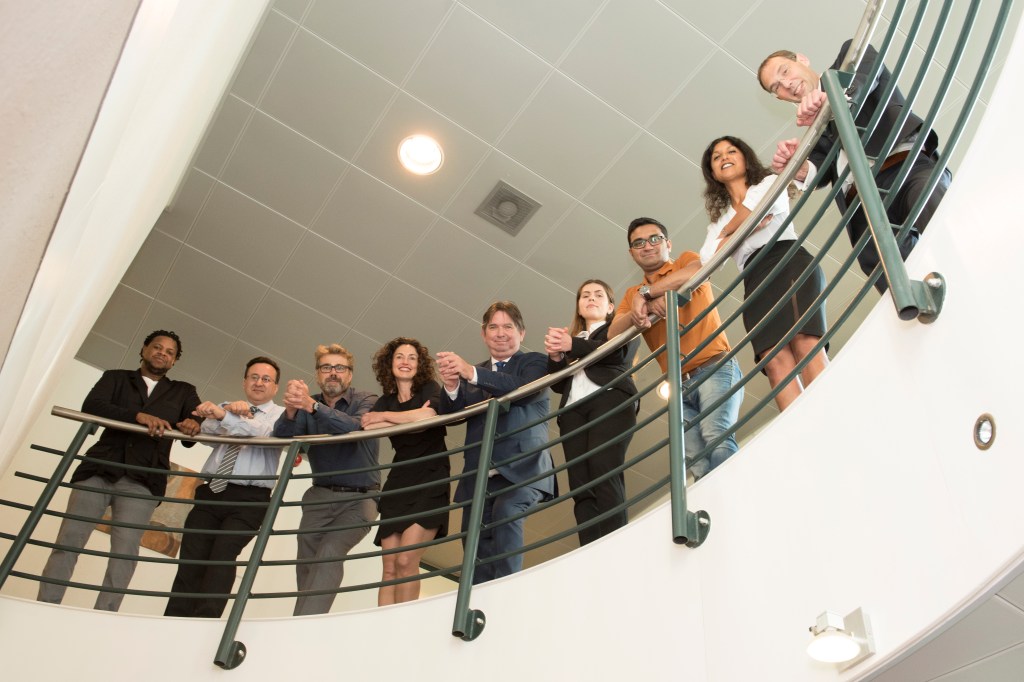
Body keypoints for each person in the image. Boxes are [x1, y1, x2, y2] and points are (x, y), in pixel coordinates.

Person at [758, 41, 951, 292]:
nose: (786, 84)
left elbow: (866, 76)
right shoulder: (814, 132)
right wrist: (798, 167)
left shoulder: (848, 58)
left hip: (904, 167)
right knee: (893, 283)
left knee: (939, 217)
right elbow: (820, 170)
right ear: (779, 98)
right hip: (861, 207)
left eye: (785, 71)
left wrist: (833, 99)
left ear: (802, 59)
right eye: (777, 87)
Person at [38, 330, 201, 611]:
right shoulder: (115, 377)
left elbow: (193, 429)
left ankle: (105, 614)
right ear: (144, 349)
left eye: (169, 352)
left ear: (174, 361)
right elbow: (92, 405)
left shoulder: (184, 391)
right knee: (69, 539)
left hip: (144, 480)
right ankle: (46, 606)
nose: (162, 353)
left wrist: (194, 424)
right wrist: (136, 416)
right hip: (99, 469)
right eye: (157, 347)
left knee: (125, 552)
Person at [699, 136, 829, 412]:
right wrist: (738, 229)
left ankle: (830, 417)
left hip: (787, 261)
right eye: (716, 157)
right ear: (713, 173)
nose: (724, 158)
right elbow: (708, 260)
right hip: (754, 279)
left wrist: (730, 236)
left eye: (731, 151)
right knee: (774, 361)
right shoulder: (718, 223)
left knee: (805, 342)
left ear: (746, 159)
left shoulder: (769, 183)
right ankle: (802, 429)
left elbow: (759, 210)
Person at [608, 218, 743, 481]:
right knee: (695, 460)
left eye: (654, 239)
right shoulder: (631, 294)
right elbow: (613, 333)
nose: (647, 246)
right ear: (631, 253)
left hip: (714, 367)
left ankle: (733, 497)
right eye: (639, 243)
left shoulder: (684, 261)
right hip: (677, 384)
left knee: (718, 437)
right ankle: (715, 504)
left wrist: (647, 294)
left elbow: (695, 272)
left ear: (668, 244)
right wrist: (647, 305)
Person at [436, 301, 555, 584]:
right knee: (474, 543)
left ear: (521, 333)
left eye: (508, 327)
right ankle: (479, 600)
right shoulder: (473, 372)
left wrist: (470, 373)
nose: (500, 333)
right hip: (479, 474)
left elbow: (521, 391)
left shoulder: (535, 362)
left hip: (523, 468)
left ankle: (507, 593)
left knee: (506, 514)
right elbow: (452, 416)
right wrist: (452, 386)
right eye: (493, 327)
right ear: (483, 333)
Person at [163, 356, 286, 618]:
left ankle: (206, 620)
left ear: (275, 387)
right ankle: (175, 619)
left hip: (249, 499)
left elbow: (262, 433)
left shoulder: (282, 416)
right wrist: (227, 412)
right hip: (211, 491)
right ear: (244, 382)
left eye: (266, 379)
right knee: (192, 557)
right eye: (254, 377)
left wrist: (226, 415)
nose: (259, 383)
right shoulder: (228, 407)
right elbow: (207, 429)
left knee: (223, 554)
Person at [272, 344, 379, 616]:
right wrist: (291, 410)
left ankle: (302, 624)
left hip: (360, 498)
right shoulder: (307, 406)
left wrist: (312, 406)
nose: (333, 372)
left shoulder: (367, 399)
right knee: (306, 562)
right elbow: (282, 437)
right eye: (326, 367)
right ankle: (303, 621)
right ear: (317, 374)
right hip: (318, 496)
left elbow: (353, 427)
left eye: (340, 368)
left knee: (330, 550)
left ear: (350, 374)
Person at [545, 280, 639, 545]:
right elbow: (559, 385)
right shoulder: (574, 341)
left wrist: (571, 345)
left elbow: (616, 355)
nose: (591, 298)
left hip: (610, 400)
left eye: (599, 295)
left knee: (603, 469)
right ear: (578, 306)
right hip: (573, 410)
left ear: (610, 307)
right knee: (580, 484)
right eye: (585, 295)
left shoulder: (620, 326)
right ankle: (589, 547)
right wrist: (555, 358)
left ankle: (614, 543)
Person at [360, 337, 450, 606]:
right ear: (390, 363)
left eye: (412, 358)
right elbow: (368, 426)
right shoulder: (385, 400)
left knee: (406, 560)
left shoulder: (430, 388)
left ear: (419, 364)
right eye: (400, 357)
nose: (405, 362)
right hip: (399, 481)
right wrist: (405, 417)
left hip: (430, 478)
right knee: (389, 568)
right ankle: (383, 625)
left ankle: (403, 623)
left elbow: (427, 418)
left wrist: (384, 416)